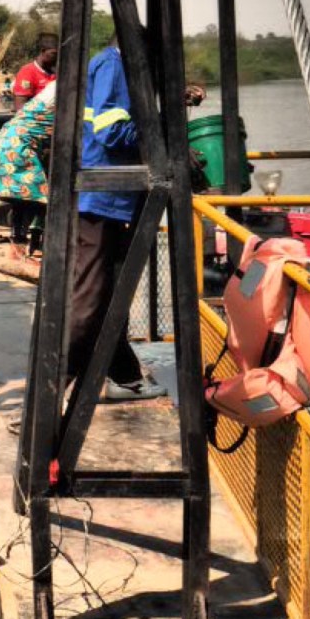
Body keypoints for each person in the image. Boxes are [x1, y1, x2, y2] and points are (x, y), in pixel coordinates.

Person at [65, 38, 205, 401]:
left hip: (114, 196)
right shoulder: (115, 65)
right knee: (91, 300)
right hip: (103, 195)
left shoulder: (111, 64)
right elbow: (112, 132)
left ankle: (122, 376)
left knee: (114, 294)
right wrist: (166, 124)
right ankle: (46, 394)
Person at [0, 79, 56, 258]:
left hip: (7, 141)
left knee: (23, 199)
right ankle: (25, 246)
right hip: (17, 148)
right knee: (36, 197)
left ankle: (21, 246)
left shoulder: (47, 96)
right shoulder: (66, 93)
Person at [12, 34, 57, 107]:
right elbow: (20, 106)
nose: (57, 57)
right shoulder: (27, 72)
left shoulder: (57, 73)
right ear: (43, 51)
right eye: (54, 54)